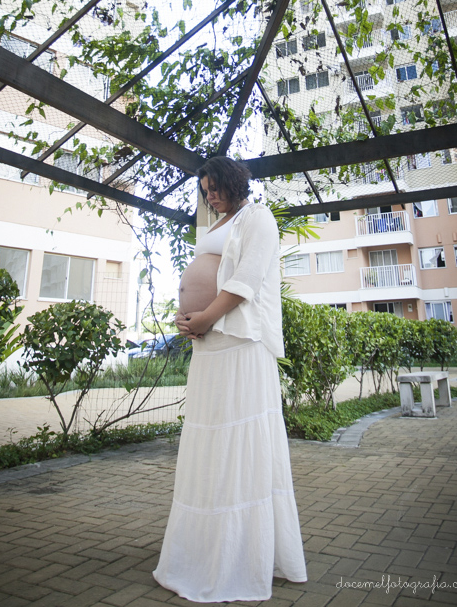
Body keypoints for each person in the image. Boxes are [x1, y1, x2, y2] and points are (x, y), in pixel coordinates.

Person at [153, 156, 307, 602]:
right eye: (205, 189)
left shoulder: (259, 218)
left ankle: (240, 557)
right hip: (210, 345)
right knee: (210, 445)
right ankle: (204, 551)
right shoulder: (215, 225)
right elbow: (210, 275)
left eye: (216, 185)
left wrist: (203, 318)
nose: (210, 194)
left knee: (240, 444)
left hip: (239, 344)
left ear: (236, 181)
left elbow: (246, 281)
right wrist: (192, 319)